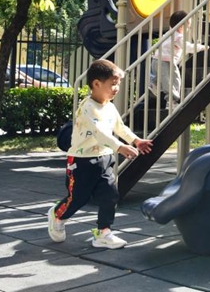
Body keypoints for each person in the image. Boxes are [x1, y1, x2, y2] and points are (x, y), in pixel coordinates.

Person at [48, 59, 153, 249]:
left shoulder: (109, 106)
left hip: (104, 159)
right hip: (81, 162)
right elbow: (100, 133)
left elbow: (119, 127)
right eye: (113, 84)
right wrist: (120, 147)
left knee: (110, 195)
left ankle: (103, 232)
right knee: (78, 199)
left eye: (118, 84)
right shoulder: (87, 108)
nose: (117, 88)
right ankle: (57, 214)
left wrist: (136, 141)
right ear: (96, 84)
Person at [150, 10, 207, 106]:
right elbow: (187, 47)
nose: (188, 29)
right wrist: (201, 47)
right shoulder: (178, 37)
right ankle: (172, 101)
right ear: (181, 26)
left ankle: (154, 84)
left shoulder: (168, 34)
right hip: (165, 62)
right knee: (174, 80)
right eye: (188, 26)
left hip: (155, 61)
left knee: (163, 78)